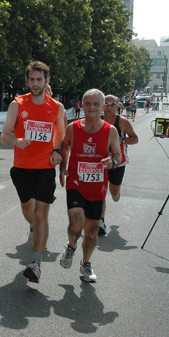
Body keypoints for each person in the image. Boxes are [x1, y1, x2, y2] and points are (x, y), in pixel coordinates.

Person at [0, 61, 65, 284]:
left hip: (45, 169)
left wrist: (57, 150)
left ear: (47, 81)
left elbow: (61, 135)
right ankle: (33, 228)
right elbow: (4, 136)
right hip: (22, 169)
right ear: (27, 81)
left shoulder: (56, 107)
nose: (35, 84)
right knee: (29, 211)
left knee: (41, 214)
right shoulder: (17, 104)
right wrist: (15, 139)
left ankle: (36, 263)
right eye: (32, 80)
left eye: (40, 80)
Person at [58, 89, 121, 283]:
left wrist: (113, 162)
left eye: (96, 104)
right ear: (82, 105)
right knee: (77, 222)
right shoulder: (73, 128)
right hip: (76, 182)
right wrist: (63, 168)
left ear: (103, 107)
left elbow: (118, 155)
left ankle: (86, 263)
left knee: (92, 231)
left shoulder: (110, 131)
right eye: (88, 103)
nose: (92, 107)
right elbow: (64, 147)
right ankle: (70, 246)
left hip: (97, 187)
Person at [98, 94, 139, 235]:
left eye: (112, 104)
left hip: (118, 162)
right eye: (106, 104)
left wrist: (122, 141)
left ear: (117, 106)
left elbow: (135, 139)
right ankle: (100, 221)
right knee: (100, 191)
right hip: (100, 162)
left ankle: (117, 192)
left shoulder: (122, 122)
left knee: (113, 193)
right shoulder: (97, 120)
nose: (108, 107)